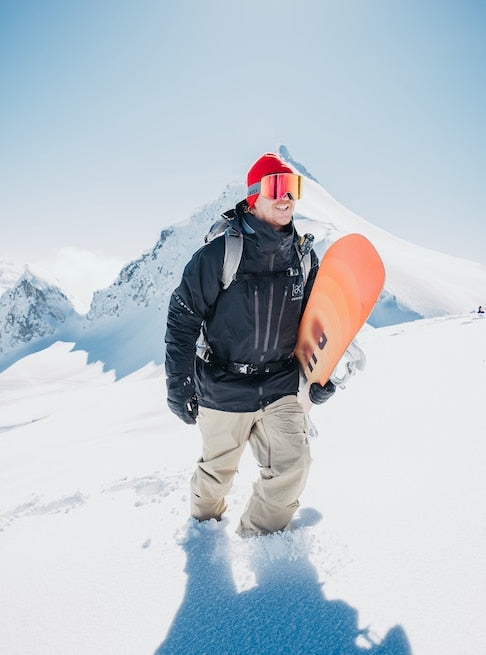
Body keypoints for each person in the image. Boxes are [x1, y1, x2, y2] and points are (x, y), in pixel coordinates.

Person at [165, 152, 336, 537]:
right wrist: (179, 383)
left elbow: (316, 325)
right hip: (223, 385)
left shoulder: (303, 257)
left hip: (279, 385)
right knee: (215, 477)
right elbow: (183, 317)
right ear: (254, 195)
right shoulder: (220, 254)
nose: (286, 197)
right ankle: (203, 538)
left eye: (293, 188)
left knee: (293, 468)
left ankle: (258, 540)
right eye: (277, 187)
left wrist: (318, 378)